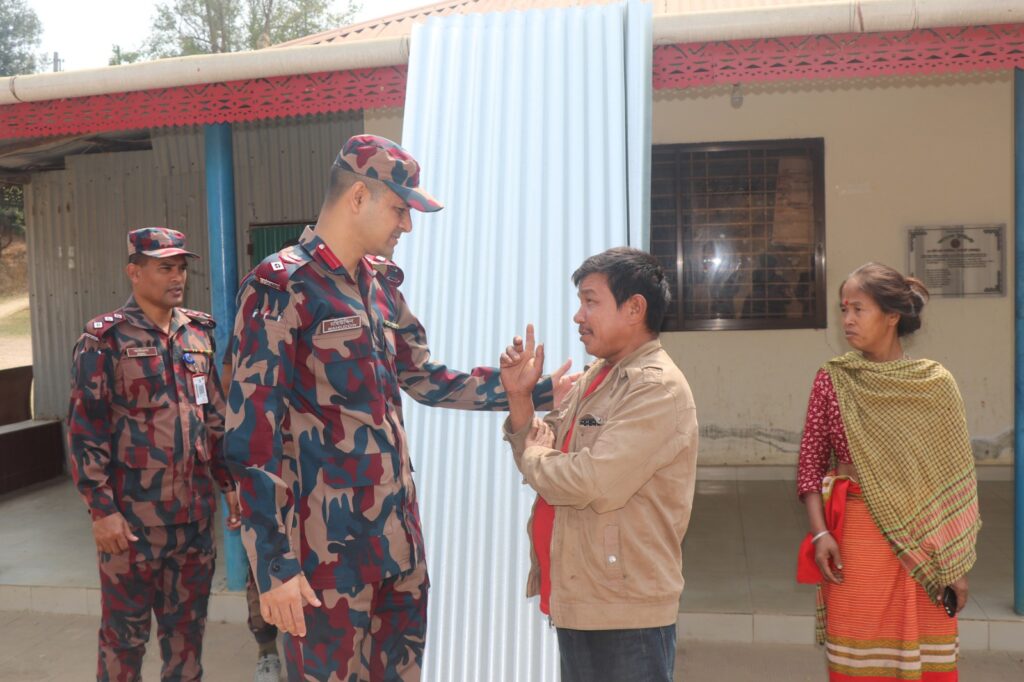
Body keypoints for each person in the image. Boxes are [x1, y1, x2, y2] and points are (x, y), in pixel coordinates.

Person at [224, 134, 559, 681]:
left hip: (397, 548)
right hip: (323, 561)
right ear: (359, 197)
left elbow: (423, 377)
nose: (407, 224)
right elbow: (249, 440)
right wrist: (274, 564)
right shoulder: (280, 286)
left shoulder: (377, 286)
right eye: (401, 209)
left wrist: (527, 392)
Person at [498, 246, 698, 682]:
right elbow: (539, 454)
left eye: (591, 301)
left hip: (625, 611)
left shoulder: (655, 389)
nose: (578, 316)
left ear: (634, 308)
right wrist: (519, 398)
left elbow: (589, 480)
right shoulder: (598, 376)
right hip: (583, 596)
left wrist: (537, 454)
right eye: (580, 302)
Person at [66, 227, 238, 681]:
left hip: (194, 521)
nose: (177, 276)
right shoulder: (104, 340)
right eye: (165, 267)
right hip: (132, 524)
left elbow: (213, 419)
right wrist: (101, 511)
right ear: (134, 272)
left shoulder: (198, 333)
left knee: (187, 638)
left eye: (181, 266)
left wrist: (230, 486)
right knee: (124, 641)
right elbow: (85, 431)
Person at [795, 262, 981, 681]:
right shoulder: (834, 379)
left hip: (925, 540)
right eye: (843, 309)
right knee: (856, 653)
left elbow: (953, 477)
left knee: (925, 650)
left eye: (858, 309)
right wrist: (821, 533)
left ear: (892, 315)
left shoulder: (935, 383)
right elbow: (811, 463)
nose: (847, 320)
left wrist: (955, 565)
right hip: (857, 540)